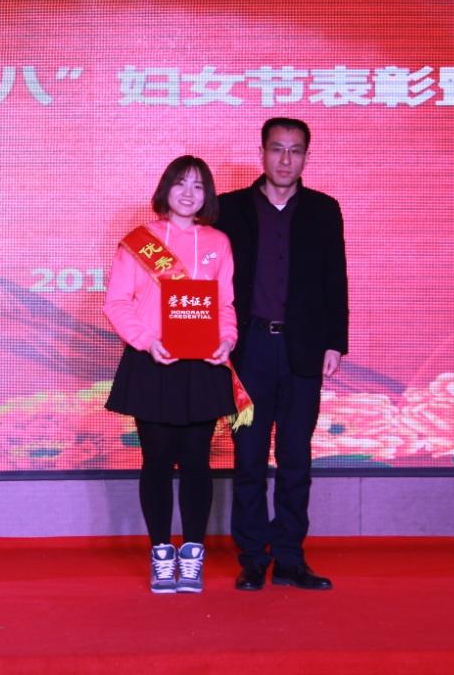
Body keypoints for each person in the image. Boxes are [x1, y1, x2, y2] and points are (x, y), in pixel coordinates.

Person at [216, 117, 348, 592]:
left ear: (306, 157)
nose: (286, 160)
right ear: (262, 154)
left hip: (303, 351)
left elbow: (335, 278)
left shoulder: (324, 210)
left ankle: (290, 556)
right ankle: (253, 556)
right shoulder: (229, 209)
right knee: (248, 456)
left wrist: (335, 341)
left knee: (296, 456)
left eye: (295, 151)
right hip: (249, 349)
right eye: (277, 149)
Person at [103, 155, 240, 594]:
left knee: (198, 461)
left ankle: (193, 552)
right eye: (181, 183)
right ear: (166, 188)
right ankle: (162, 552)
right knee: (157, 461)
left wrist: (227, 339)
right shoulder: (139, 242)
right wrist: (146, 341)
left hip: (203, 365)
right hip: (153, 362)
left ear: (207, 195)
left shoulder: (218, 241)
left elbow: (224, 303)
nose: (188, 193)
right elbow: (116, 303)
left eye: (198, 186)